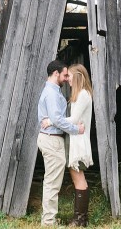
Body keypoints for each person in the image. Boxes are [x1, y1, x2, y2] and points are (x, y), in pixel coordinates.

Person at [37, 59, 83, 226]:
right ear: (56, 73)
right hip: (52, 140)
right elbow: (57, 119)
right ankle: (49, 221)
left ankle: (49, 219)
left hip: (51, 139)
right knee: (52, 182)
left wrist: (54, 121)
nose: (66, 78)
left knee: (52, 181)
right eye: (64, 75)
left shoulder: (53, 91)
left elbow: (55, 119)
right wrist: (76, 129)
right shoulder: (52, 93)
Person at [66, 64, 94, 227]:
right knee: (77, 178)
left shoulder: (83, 94)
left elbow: (74, 120)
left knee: (79, 179)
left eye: (69, 75)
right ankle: (79, 218)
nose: (67, 79)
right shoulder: (79, 95)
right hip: (74, 141)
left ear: (77, 76)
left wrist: (53, 121)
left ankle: (80, 219)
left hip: (79, 144)